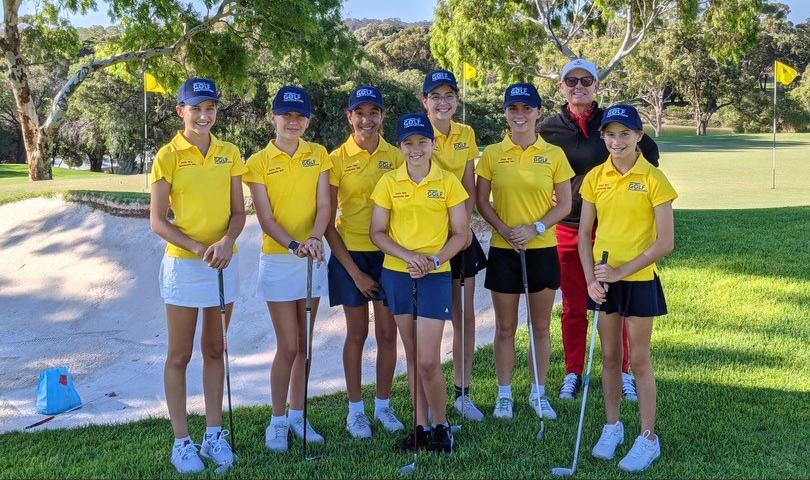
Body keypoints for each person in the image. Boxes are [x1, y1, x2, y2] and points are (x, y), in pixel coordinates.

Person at [538, 58, 661, 401]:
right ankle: (573, 372)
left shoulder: (612, 123)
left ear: (596, 86)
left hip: (612, 232)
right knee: (575, 305)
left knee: (616, 303)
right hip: (567, 229)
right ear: (561, 87)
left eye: (587, 81)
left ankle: (621, 371)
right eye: (572, 81)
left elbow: (648, 153)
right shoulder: (548, 128)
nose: (579, 87)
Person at [149, 77, 245, 473]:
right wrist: (199, 248)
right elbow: (157, 221)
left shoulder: (230, 152)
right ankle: (182, 442)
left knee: (215, 349)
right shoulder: (167, 155)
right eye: (196, 108)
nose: (204, 116)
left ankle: (213, 435)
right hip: (185, 265)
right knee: (179, 354)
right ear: (180, 111)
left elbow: (239, 212)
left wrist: (224, 243)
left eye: (210, 108)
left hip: (225, 260)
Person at [578, 104, 676, 472]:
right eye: (610, 134)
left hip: (637, 281)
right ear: (602, 137)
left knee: (638, 361)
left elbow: (665, 243)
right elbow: (583, 237)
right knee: (608, 359)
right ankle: (612, 427)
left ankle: (648, 438)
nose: (616, 141)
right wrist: (592, 279)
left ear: (639, 136)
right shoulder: (594, 177)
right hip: (604, 280)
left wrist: (620, 272)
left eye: (624, 134)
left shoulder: (654, 179)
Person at [369, 113, 469, 454]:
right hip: (398, 273)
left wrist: (435, 260)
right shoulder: (388, 182)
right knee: (412, 356)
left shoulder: (448, 183)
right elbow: (377, 232)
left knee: (428, 359)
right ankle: (420, 427)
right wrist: (409, 256)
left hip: (436, 275)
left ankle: (442, 426)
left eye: (422, 142)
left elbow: (462, 234)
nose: (415, 150)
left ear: (433, 144)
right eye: (408, 144)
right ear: (400, 147)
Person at [475, 83, 573, 421]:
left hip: (542, 248)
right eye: (513, 109)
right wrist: (503, 229)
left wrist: (536, 228)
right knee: (504, 328)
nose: (520, 115)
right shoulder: (491, 154)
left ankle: (538, 392)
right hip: (504, 250)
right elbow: (480, 201)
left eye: (526, 108)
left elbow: (565, 204)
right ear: (505, 112)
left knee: (540, 327)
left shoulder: (554, 154)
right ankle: (504, 395)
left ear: (538, 112)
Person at [243, 85, 332, 453]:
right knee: (289, 345)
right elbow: (265, 219)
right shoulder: (258, 162)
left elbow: (325, 205)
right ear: (273, 118)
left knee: (306, 347)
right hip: (280, 259)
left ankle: (299, 414)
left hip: (311, 256)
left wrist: (313, 239)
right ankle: (277, 420)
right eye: (286, 115)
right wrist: (296, 245)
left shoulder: (320, 155)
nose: (293, 122)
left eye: (299, 116)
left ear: (307, 120)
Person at [324, 86, 406, 438]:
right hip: (350, 252)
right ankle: (355, 411)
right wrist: (355, 272)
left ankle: (383, 407)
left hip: (389, 252)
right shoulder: (336, 158)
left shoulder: (397, 155)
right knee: (357, 332)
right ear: (349, 117)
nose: (367, 120)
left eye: (374, 113)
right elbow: (327, 223)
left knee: (388, 334)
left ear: (383, 116)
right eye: (360, 113)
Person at [421, 69, 487, 420]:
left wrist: (461, 231)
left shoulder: (466, 133)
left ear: (456, 100)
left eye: (449, 96)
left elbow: (468, 185)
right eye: (436, 96)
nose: (443, 102)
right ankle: (432, 398)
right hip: (428, 239)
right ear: (425, 102)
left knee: (465, 315)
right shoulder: (418, 132)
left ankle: (463, 393)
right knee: (435, 316)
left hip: (460, 239)